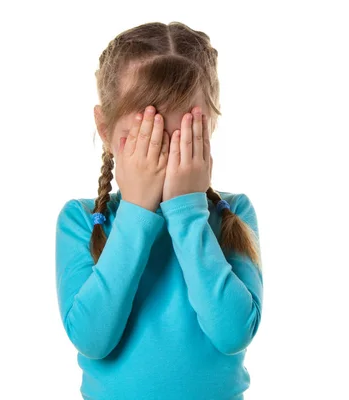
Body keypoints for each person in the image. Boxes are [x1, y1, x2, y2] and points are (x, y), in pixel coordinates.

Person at [55, 21, 263, 400]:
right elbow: (91, 339)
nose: (163, 160)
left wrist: (187, 213)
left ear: (209, 128)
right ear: (105, 129)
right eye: (146, 140)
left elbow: (233, 333)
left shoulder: (232, 214)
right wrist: (135, 209)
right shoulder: (80, 221)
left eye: (182, 139)